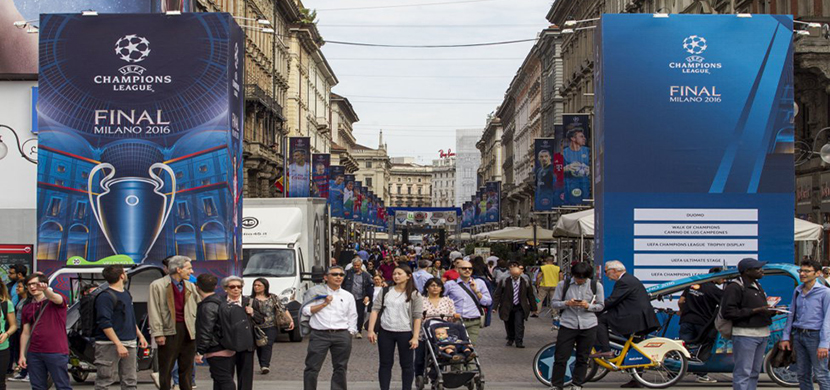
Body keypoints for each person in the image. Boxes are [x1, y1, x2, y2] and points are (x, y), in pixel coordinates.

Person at [196, 276, 260, 390]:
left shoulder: (249, 302)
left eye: (239, 286)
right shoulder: (220, 302)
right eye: (232, 287)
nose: (236, 289)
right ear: (226, 289)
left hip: (246, 345)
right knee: (224, 376)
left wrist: (253, 313)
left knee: (242, 376)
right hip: (227, 344)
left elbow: (262, 320)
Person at [721, 258, 775, 390]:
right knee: (743, 372)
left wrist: (771, 311)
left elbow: (758, 308)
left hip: (762, 333)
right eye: (757, 269)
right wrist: (757, 310)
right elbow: (729, 312)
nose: (761, 271)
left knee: (754, 372)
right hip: (745, 334)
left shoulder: (757, 285)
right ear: (746, 271)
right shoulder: (735, 287)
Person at [550, 262, 605, 390]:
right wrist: (567, 303)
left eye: (583, 278)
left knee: (583, 357)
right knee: (561, 356)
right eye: (577, 277)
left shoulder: (596, 286)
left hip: (588, 325)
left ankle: (577, 384)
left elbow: (601, 306)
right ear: (573, 275)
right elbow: (554, 303)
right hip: (568, 324)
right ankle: (556, 384)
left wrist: (588, 306)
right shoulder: (563, 285)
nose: (580, 280)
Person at [301, 266, 358, 390]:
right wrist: (324, 304)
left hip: (341, 334)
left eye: (341, 275)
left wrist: (350, 332)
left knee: (340, 367)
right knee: (312, 367)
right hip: (320, 334)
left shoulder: (348, 295)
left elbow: (352, 315)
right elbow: (306, 311)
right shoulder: (316, 292)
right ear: (326, 277)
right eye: (335, 274)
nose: (339, 277)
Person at [149, 256, 201, 390]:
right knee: (166, 367)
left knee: (187, 367)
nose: (192, 271)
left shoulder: (190, 285)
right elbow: (154, 310)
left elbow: (199, 304)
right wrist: (158, 333)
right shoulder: (158, 285)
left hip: (188, 329)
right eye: (189, 268)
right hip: (169, 330)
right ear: (179, 269)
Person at [368, 265, 423, 390]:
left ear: (408, 276)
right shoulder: (386, 291)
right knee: (385, 364)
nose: (396, 276)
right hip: (386, 331)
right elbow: (375, 310)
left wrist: (415, 337)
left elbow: (417, 317)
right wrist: (371, 330)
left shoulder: (415, 295)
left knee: (407, 365)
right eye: (394, 274)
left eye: (399, 274)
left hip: (405, 332)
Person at [94, 265, 149, 390]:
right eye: (125, 272)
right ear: (121, 276)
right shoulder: (105, 297)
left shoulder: (126, 294)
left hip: (130, 342)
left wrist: (140, 336)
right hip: (107, 344)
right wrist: (118, 344)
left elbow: (130, 318)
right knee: (104, 381)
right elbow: (104, 323)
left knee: (130, 381)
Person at [593, 261, 659, 361]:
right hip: (640, 316)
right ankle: (636, 369)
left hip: (633, 317)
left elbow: (613, 300)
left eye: (606, 272)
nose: (606, 275)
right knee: (636, 344)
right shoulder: (630, 279)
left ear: (614, 271)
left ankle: (605, 350)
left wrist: (595, 311)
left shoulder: (623, 282)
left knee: (600, 320)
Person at [780, 260, 830, 390]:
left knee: (821, 374)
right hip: (799, 335)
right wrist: (785, 336)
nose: (802, 274)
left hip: (816, 336)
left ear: (818, 273)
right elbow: (791, 314)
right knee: (802, 374)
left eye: (807, 271)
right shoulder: (798, 290)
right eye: (801, 271)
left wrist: (824, 344)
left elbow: (828, 319)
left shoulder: (825, 293)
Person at [18, 273, 70, 390]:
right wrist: (22, 355)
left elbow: (56, 298)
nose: (32, 287)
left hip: (56, 351)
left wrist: (46, 290)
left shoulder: (55, 302)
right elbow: (25, 333)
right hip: (34, 352)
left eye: (35, 284)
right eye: (29, 284)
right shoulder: (27, 308)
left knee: (62, 385)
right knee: (37, 386)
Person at [678, 267, 725, 384]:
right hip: (703, 323)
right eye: (723, 277)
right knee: (702, 348)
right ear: (716, 277)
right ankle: (701, 375)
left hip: (686, 320)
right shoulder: (714, 290)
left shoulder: (692, 285)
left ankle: (673, 373)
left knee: (682, 348)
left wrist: (682, 311)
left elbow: (680, 301)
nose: (724, 280)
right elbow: (726, 305)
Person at [250, 278, 294, 374]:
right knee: (260, 345)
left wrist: (290, 320)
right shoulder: (250, 300)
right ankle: (262, 363)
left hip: (271, 326)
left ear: (265, 286)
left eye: (259, 285)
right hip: (256, 327)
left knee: (268, 344)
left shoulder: (273, 297)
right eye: (255, 285)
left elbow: (283, 308)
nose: (256, 287)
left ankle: (265, 365)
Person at [444, 260, 492, 345]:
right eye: (464, 268)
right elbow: (441, 299)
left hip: (473, 321)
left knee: (470, 348)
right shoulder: (450, 284)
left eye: (470, 268)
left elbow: (487, 302)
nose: (467, 270)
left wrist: (476, 291)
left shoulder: (479, 283)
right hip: (456, 321)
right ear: (458, 270)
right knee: (455, 346)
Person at [493, 262, 538, 348]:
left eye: (517, 276)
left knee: (519, 324)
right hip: (507, 305)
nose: (515, 277)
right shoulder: (504, 280)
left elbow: (530, 294)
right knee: (509, 323)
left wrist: (533, 308)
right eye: (513, 276)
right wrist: (495, 307)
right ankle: (510, 338)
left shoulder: (525, 281)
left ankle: (519, 341)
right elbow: (498, 294)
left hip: (520, 306)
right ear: (510, 274)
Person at [343, 258, 373, 339]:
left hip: (360, 297)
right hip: (349, 297)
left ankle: (358, 331)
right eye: (355, 265)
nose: (356, 267)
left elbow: (369, 286)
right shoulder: (347, 273)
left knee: (360, 314)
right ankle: (348, 329)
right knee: (347, 313)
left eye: (358, 265)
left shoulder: (366, 275)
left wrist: (368, 296)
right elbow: (342, 284)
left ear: (361, 265)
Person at [562, 127, 591, 203]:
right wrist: (566, 168)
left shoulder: (588, 151)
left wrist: (590, 169)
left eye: (584, 136)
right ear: (573, 138)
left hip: (585, 187)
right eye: (581, 136)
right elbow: (555, 171)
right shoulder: (564, 153)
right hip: (569, 188)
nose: (584, 138)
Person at [9, 281, 27, 382]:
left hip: (24, 328)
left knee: (23, 351)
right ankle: (22, 372)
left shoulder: (28, 301)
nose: (17, 288)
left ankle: (26, 372)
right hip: (18, 327)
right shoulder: (21, 300)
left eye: (19, 287)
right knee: (18, 350)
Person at [0, 280, 16, 390]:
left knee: (1, 382)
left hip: (2, 348)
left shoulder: (6, 304)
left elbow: (14, 325)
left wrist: (6, 334)